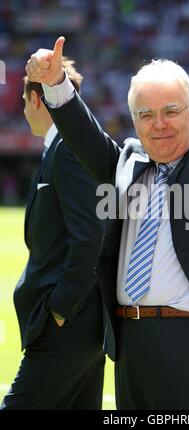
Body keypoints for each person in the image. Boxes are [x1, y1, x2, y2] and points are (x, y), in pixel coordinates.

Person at [25, 28, 189, 410]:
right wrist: (56, 84)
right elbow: (84, 137)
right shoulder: (128, 164)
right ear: (134, 122)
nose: (158, 124)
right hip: (129, 341)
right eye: (146, 115)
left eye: (170, 112)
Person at [1, 58, 106, 410]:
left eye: (22, 100)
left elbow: (91, 236)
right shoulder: (62, 149)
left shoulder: (68, 150)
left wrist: (61, 308)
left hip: (67, 324)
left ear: (34, 99)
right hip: (75, 322)